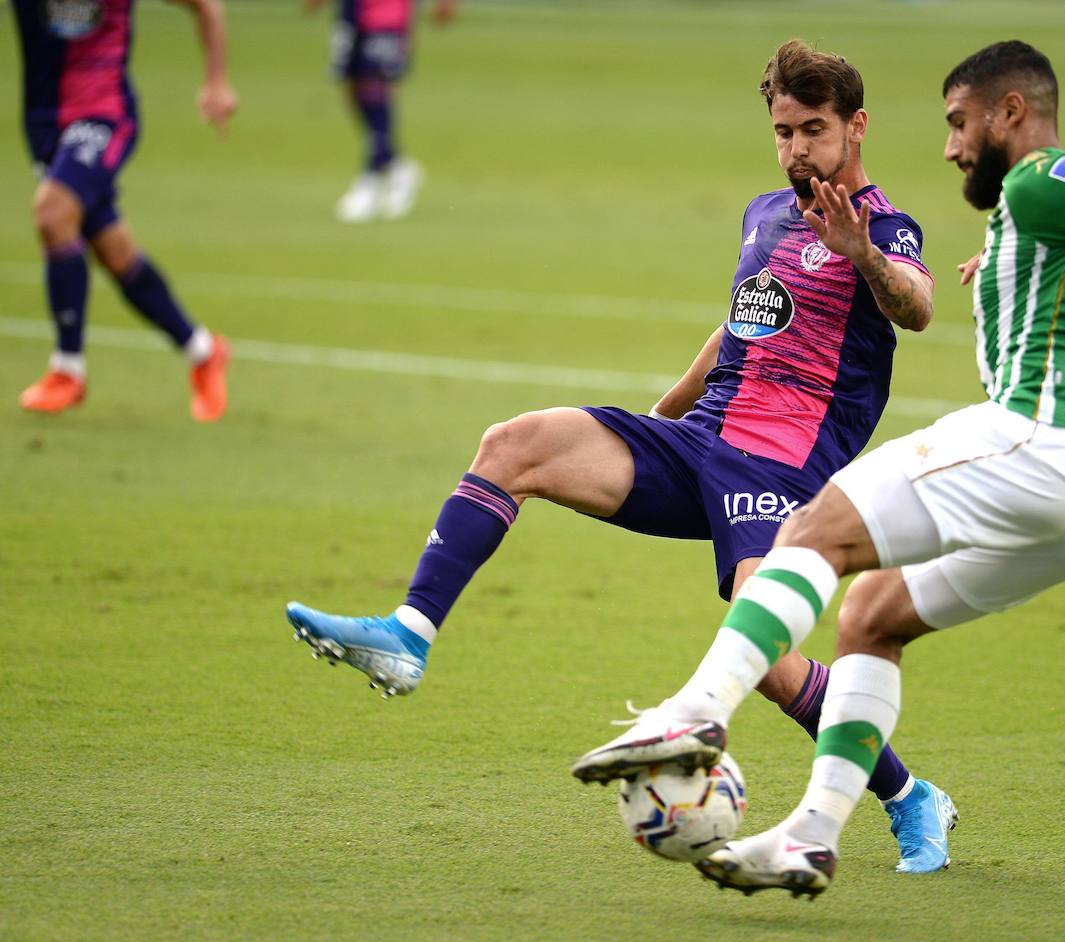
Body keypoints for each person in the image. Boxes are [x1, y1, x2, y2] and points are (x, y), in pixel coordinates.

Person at [572, 39, 1065, 898]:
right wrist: (1030, 264)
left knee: (812, 531)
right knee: (870, 615)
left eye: (958, 124)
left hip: (1039, 443)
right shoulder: (1051, 229)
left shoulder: (1038, 179)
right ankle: (812, 837)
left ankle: (693, 713)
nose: (949, 147)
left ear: (1009, 113)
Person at [286, 39, 959, 872]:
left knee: (777, 665)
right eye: (783, 131)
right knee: (515, 444)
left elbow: (918, 305)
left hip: (782, 473)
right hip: (700, 443)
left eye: (813, 131)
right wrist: (658, 421)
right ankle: (408, 636)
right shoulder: (765, 213)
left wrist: (859, 251)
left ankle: (909, 796)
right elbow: (739, 329)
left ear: (857, 128)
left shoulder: (883, 225)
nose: (795, 151)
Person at [11, 0, 236, 420]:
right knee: (115, 253)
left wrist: (216, 83)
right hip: (45, 128)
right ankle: (203, 350)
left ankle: (67, 369)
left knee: (52, 214)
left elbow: (207, 7)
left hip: (103, 116)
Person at [305, 0, 459, 222]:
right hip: (351, 11)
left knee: (376, 86)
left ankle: (370, 179)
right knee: (354, 90)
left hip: (387, 13)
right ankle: (396, 165)